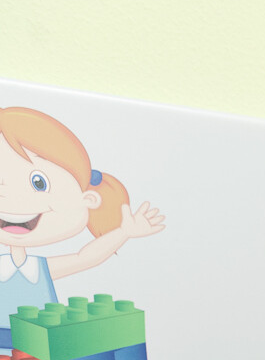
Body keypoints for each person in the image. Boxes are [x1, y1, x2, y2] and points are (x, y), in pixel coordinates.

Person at [0, 106, 164, 311]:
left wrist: (124, 232)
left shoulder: (38, 270)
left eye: (39, 183)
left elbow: (85, 258)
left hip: (37, 341)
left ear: (88, 199)